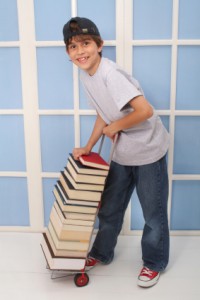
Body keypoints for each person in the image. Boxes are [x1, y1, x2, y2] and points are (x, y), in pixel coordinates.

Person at [63, 17, 170, 288]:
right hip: (122, 152)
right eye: (73, 47)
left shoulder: (110, 74)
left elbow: (145, 111)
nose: (80, 51)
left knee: (152, 214)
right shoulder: (87, 75)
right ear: (68, 53)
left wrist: (117, 126)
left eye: (86, 44)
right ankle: (102, 252)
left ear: (100, 45)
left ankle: (154, 262)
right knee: (109, 208)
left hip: (147, 151)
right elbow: (103, 113)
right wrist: (88, 146)